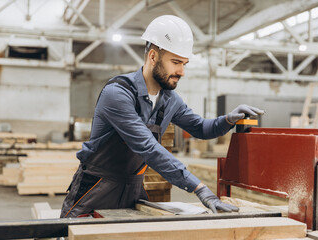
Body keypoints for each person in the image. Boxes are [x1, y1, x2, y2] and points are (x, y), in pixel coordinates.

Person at [60, 15, 264, 218]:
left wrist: (227, 119)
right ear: (153, 56)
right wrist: (199, 188)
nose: (182, 71)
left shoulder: (169, 100)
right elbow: (149, 148)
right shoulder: (118, 94)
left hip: (132, 190)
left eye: (184, 63)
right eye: (176, 62)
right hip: (96, 188)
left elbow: (200, 128)